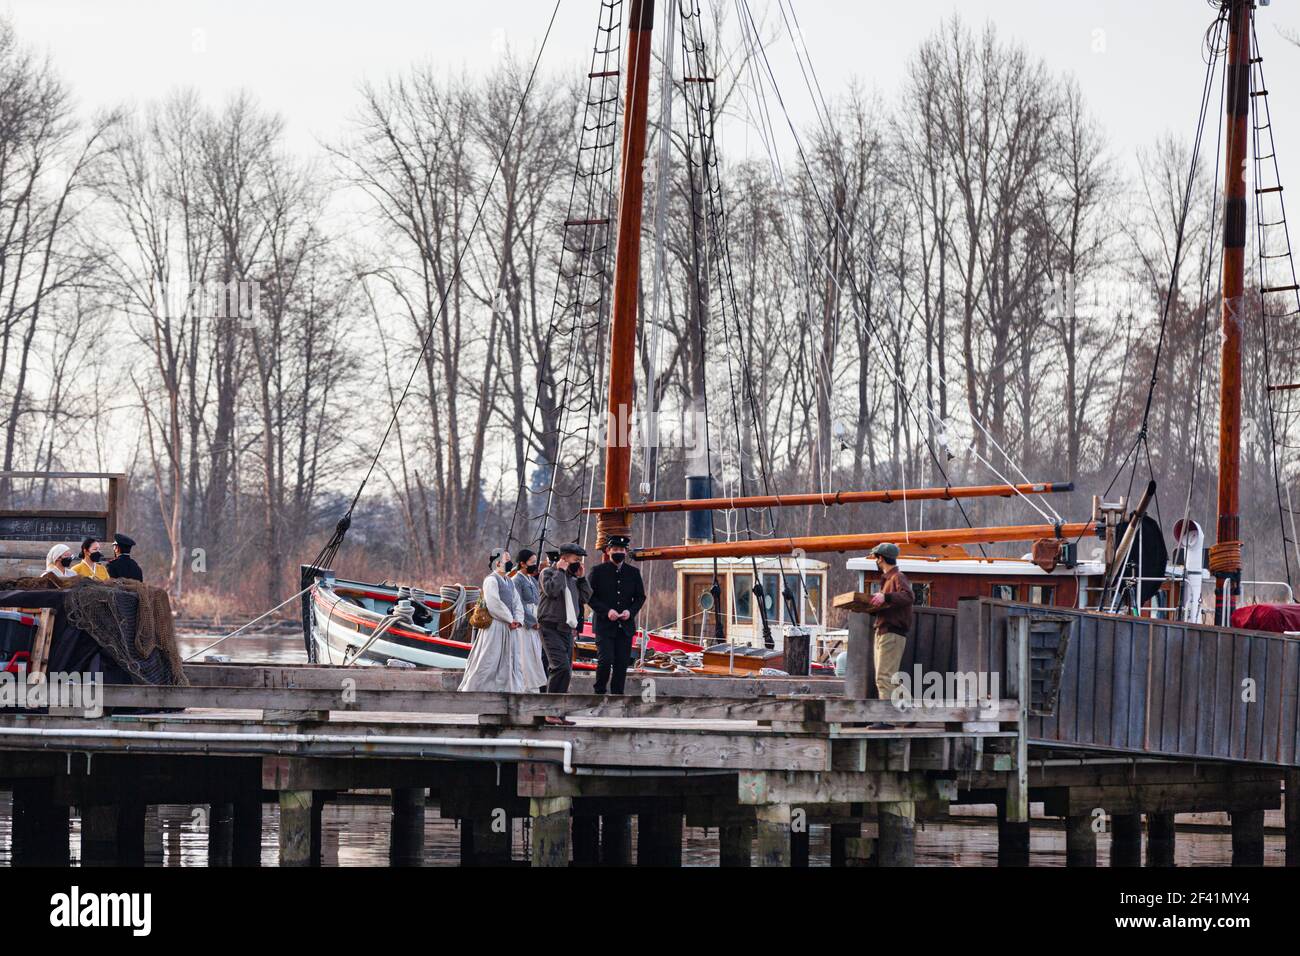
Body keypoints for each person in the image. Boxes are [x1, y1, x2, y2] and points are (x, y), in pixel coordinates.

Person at [459, 549, 542, 693]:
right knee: (489, 658)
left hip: (511, 628)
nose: (510, 563)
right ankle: (476, 689)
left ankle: (508, 689)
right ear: (498, 563)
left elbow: (517, 603)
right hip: (495, 627)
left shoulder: (509, 581)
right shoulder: (491, 580)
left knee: (510, 660)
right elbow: (494, 603)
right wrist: (509, 619)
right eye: (507, 560)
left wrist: (518, 620)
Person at [586, 534, 645, 696]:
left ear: (626, 552)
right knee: (605, 660)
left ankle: (617, 696)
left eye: (622, 550)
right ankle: (599, 693)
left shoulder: (633, 572)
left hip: (625, 626)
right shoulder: (597, 571)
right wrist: (607, 611)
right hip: (605, 626)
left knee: (622, 663)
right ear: (608, 551)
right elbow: (589, 597)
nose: (619, 552)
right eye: (615, 549)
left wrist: (630, 612)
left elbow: (640, 597)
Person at [864, 542, 914, 729]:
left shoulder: (897, 577)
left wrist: (886, 597)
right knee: (889, 677)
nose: (875, 561)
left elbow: (908, 597)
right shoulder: (889, 580)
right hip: (885, 631)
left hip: (891, 632)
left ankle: (888, 719)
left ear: (881, 558)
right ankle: (910, 710)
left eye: (876, 558)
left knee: (883, 677)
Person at [537, 543, 591, 703]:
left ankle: (558, 711)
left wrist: (582, 579)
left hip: (567, 630)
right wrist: (560, 570)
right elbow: (551, 590)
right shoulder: (548, 573)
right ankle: (549, 709)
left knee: (567, 671)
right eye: (576, 560)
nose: (578, 563)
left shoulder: (572, 579)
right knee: (559, 667)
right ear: (564, 559)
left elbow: (585, 598)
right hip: (550, 627)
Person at [508, 548, 550, 693]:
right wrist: (532, 621)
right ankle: (524, 688)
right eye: (532, 562)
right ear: (523, 564)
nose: (535, 564)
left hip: (536, 622)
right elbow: (518, 604)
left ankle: (534, 687)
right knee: (525, 656)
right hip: (525, 625)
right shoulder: (516, 580)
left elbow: (538, 602)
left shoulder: (532, 580)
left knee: (536, 655)